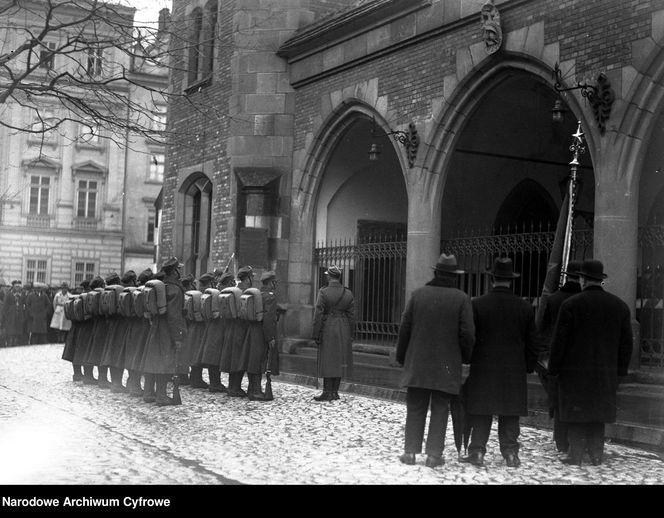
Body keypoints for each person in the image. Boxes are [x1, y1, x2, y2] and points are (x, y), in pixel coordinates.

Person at [549, 259, 633, 466]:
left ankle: (575, 454)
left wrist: (554, 368)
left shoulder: (570, 305)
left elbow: (559, 341)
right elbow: (626, 344)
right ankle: (596, 454)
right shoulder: (620, 306)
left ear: (582, 279)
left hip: (575, 372)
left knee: (577, 412)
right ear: (600, 280)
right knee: (598, 412)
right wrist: (620, 371)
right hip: (605, 371)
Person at [395, 254, 475, 468]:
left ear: (436, 273)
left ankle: (410, 453)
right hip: (446, 366)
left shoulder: (418, 295)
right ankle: (433, 455)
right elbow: (468, 333)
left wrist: (402, 357)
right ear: (454, 277)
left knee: (415, 407)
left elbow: (405, 328)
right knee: (441, 408)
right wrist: (465, 358)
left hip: (418, 363)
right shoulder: (461, 298)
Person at [462, 257, 540, 469]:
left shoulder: (477, 304)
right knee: (510, 412)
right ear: (510, 280)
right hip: (513, 369)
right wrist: (528, 366)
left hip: (484, 367)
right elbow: (533, 342)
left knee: (481, 410)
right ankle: (511, 453)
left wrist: (469, 360)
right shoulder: (524, 307)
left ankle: (477, 451)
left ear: (492, 279)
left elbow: (469, 336)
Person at [534, 260, 582, 453]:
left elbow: (544, 330)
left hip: (556, 356)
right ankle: (577, 439)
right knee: (578, 400)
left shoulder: (553, 299)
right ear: (581, 277)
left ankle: (561, 440)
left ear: (566, 275)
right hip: (580, 358)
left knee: (559, 398)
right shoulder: (583, 298)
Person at [140, 257, 186, 406]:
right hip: (167, 330)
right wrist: (177, 336)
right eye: (179, 269)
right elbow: (174, 315)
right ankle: (161, 395)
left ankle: (148, 393)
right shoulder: (175, 289)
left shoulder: (161, 285)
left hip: (156, 327)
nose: (181, 271)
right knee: (165, 361)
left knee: (153, 359)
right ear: (175, 271)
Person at [311, 265, 355, 402]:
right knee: (339, 359)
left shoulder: (323, 292)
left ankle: (327, 391)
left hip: (328, 326)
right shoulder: (348, 293)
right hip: (344, 327)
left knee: (328, 359)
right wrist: (351, 333)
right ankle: (335, 392)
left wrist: (315, 332)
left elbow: (318, 313)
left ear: (329, 276)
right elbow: (352, 315)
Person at [240, 270, 280, 401]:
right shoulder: (270, 297)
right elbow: (269, 319)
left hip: (251, 331)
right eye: (274, 282)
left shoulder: (257, 295)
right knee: (258, 361)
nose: (275, 285)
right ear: (271, 283)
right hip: (262, 333)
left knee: (252, 360)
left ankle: (252, 389)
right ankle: (256, 391)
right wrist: (271, 337)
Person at [124, 268, 154, 398]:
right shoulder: (145, 292)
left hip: (132, 328)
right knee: (140, 356)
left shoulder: (133, 291)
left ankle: (132, 384)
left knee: (134, 356)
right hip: (143, 328)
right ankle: (136, 387)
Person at [189, 272, 219, 391]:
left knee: (196, 353)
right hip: (202, 327)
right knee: (198, 353)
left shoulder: (197, 294)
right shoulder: (207, 295)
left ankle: (195, 378)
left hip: (194, 327)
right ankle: (196, 379)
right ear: (210, 283)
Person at [227, 266, 254, 397]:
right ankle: (235, 388)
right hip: (242, 328)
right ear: (247, 278)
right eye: (251, 277)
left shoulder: (234, 291)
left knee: (233, 357)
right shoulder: (246, 292)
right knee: (239, 358)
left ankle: (232, 386)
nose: (252, 279)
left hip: (232, 329)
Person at [1, 280, 26, 346]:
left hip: (19, 317)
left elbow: (25, 305)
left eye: (19, 286)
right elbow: (5, 307)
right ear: (13, 287)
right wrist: (6, 316)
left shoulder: (22, 295)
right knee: (11, 333)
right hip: (11, 318)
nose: (18, 288)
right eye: (16, 286)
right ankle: (10, 344)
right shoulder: (9, 294)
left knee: (18, 333)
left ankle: (16, 344)